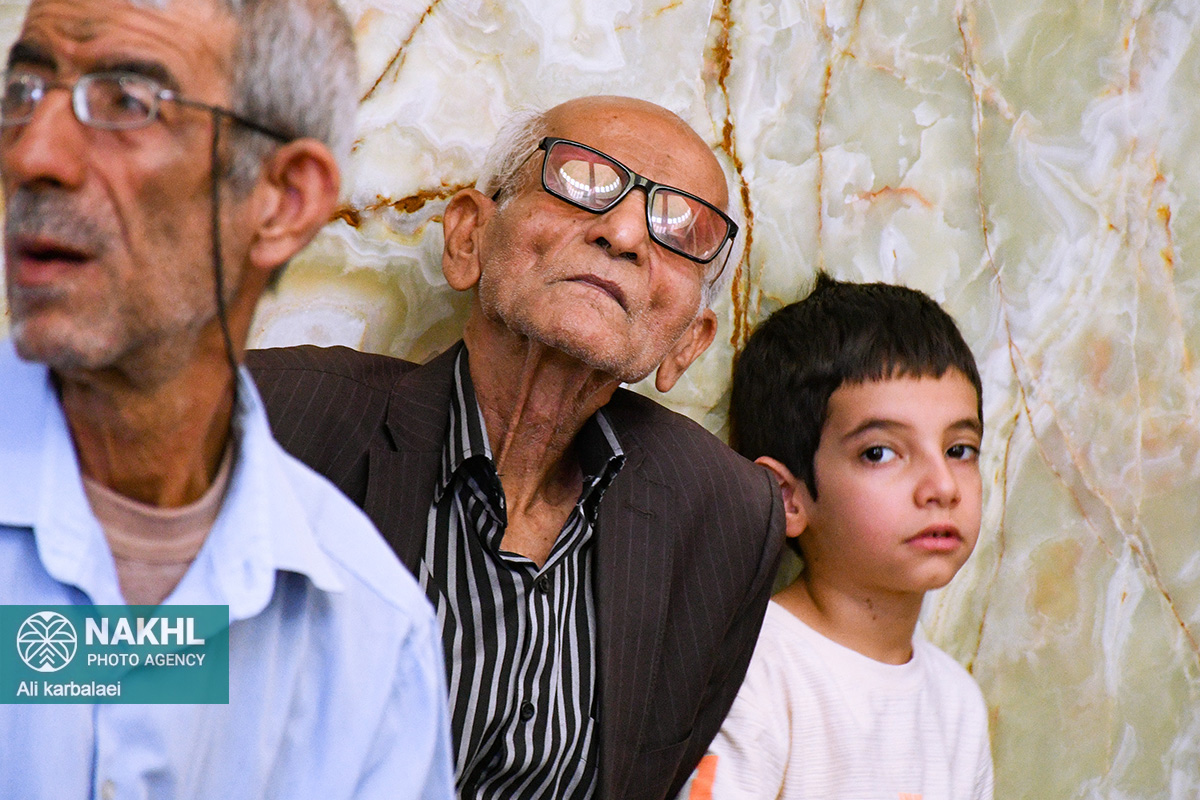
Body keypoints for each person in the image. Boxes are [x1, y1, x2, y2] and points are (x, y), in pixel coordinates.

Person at [248, 96, 784, 800]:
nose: (625, 233)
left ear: (688, 340)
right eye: (582, 182)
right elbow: (113, 678)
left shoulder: (725, 518)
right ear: (468, 237)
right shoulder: (271, 421)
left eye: (682, 229)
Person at [0, 0, 454, 797]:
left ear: (282, 200)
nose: (36, 153)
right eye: (22, 92)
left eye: (127, 102)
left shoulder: (369, 637)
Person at [681, 274, 994, 799]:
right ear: (787, 498)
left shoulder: (957, 704)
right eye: (880, 453)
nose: (942, 487)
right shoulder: (753, 671)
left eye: (959, 450)